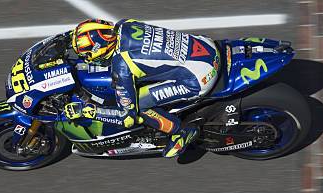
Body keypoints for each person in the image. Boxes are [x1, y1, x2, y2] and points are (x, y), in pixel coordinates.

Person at [65, 19, 220, 158]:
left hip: (198, 77)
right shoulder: (125, 23)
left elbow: (126, 118)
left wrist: (88, 111)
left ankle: (181, 131)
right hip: (205, 46)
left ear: (98, 49)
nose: (85, 58)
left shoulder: (122, 66)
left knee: (139, 105)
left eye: (87, 54)